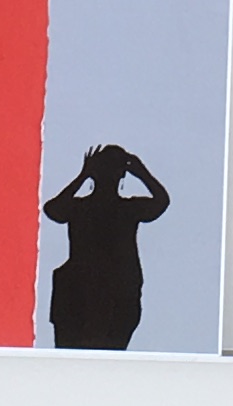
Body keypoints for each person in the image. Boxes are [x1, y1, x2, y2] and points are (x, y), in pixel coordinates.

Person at [42, 144, 171, 349]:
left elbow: (161, 202)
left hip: (114, 294)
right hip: (82, 295)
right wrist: (140, 172)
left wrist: (85, 175)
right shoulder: (85, 208)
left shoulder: (123, 209)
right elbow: (53, 210)